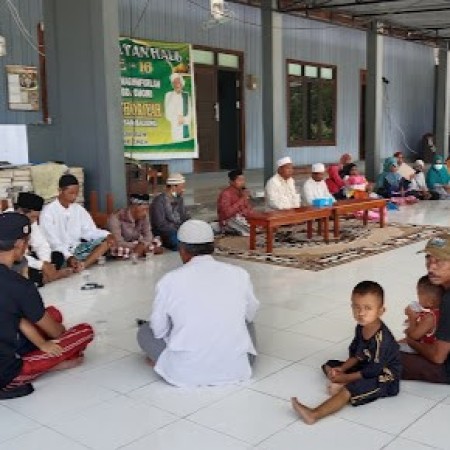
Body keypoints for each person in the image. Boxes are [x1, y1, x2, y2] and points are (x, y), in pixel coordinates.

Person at [137, 219, 260, 387]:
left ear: (182, 250)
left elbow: (158, 331)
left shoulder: (169, 281)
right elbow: (250, 313)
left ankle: (163, 360)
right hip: (237, 368)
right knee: (247, 321)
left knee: (145, 331)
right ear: (212, 246)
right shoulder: (239, 274)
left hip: (185, 372)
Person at [0, 212, 94, 399]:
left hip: (9, 334)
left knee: (52, 313)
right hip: (7, 373)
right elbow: (56, 333)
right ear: (20, 244)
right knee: (84, 331)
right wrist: (50, 342)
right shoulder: (21, 286)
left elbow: (15, 317)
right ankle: (51, 363)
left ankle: (41, 353)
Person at [291, 281, 400, 425]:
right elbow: (357, 355)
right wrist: (341, 370)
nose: (361, 313)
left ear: (380, 311)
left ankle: (314, 414)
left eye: (368, 308)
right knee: (329, 365)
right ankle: (341, 381)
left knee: (350, 389)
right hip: (366, 365)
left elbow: (374, 370)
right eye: (356, 307)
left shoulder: (382, 339)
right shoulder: (361, 327)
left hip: (385, 377)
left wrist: (346, 378)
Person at [40, 174, 116, 272]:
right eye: (71, 193)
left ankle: (82, 265)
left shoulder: (79, 209)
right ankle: (77, 263)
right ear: (60, 191)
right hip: (59, 253)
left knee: (106, 243)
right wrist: (69, 257)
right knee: (57, 258)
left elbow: (90, 231)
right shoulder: (48, 212)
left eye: (76, 193)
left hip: (78, 249)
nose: (74, 196)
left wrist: (107, 235)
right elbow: (52, 241)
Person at [401, 235, 450, 384]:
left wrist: (411, 342)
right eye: (428, 258)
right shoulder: (442, 290)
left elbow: (437, 357)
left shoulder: (448, 299)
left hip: (445, 366)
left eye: (439, 260)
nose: (431, 266)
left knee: (384, 356)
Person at [14, 192, 72, 286]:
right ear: (21, 212)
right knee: (21, 271)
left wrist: (46, 263)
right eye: (33, 217)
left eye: (37, 217)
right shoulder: (8, 223)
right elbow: (14, 255)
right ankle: (52, 276)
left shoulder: (31, 223)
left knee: (57, 255)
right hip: (13, 260)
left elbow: (41, 244)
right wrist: (41, 265)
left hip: (29, 258)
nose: (34, 220)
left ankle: (47, 276)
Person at [107, 193, 162, 258]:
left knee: (157, 240)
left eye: (147, 209)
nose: (146, 213)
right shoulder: (116, 218)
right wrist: (138, 247)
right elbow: (118, 241)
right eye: (143, 209)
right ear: (134, 207)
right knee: (116, 249)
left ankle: (141, 251)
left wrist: (142, 244)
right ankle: (145, 251)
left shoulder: (144, 216)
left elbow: (148, 235)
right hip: (123, 245)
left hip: (138, 243)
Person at [150, 173, 190, 250]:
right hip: (166, 233)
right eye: (181, 187)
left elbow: (184, 216)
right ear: (173, 187)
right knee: (178, 242)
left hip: (180, 230)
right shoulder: (159, 201)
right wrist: (178, 229)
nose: (183, 190)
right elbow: (160, 225)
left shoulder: (179, 199)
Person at [402, 275, 442, 347]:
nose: (418, 298)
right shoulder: (437, 312)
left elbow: (414, 336)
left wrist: (412, 318)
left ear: (430, 302)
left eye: (419, 295)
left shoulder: (430, 318)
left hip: (426, 350)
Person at [217, 169, 255, 236]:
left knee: (260, 224)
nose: (242, 182)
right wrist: (242, 199)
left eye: (243, 180)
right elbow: (227, 213)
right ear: (231, 182)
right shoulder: (226, 194)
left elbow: (248, 209)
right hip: (228, 221)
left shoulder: (242, 192)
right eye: (239, 180)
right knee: (251, 231)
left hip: (241, 219)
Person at [164, 73, 192, 142]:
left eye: (178, 81)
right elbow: (168, 114)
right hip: (175, 128)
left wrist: (184, 119)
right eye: (174, 82)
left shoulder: (186, 95)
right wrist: (177, 118)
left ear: (182, 83)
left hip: (186, 126)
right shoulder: (169, 95)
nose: (177, 84)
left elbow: (191, 112)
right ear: (172, 84)